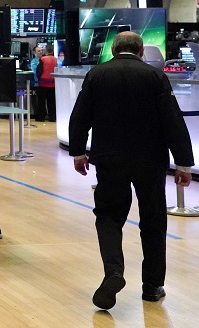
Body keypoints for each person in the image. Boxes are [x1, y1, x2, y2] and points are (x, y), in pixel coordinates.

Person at [69, 31, 194, 310]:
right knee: (153, 220)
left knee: (109, 216)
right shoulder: (155, 77)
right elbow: (172, 120)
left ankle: (114, 271)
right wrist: (183, 163)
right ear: (141, 51)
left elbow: (80, 117)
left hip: (109, 159)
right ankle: (152, 286)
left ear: (113, 49)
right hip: (150, 160)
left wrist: (78, 152)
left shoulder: (97, 75)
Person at [36, 44, 58, 122]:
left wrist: (39, 79)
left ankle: (41, 117)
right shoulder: (56, 60)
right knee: (52, 101)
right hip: (53, 83)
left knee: (41, 101)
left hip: (43, 83)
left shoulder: (42, 59)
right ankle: (52, 117)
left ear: (46, 50)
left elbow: (39, 71)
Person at [29, 46, 43, 120]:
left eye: (41, 50)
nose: (40, 52)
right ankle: (37, 114)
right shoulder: (34, 62)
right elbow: (36, 71)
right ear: (34, 52)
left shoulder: (43, 60)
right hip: (37, 83)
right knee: (37, 100)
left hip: (43, 83)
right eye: (38, 51)